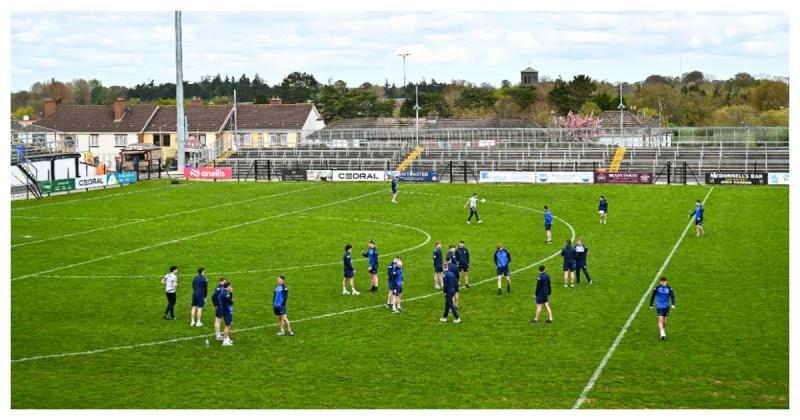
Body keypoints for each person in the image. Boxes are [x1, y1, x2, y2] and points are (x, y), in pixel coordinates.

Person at [649, 276, 676, 341]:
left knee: (665, 321)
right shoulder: (657, 288)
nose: (663, 283)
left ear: (666, 282)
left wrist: (673, 304)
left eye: (664, 282)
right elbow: (653, 296)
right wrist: (651, 305)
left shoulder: (669, 288)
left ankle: (663, 330)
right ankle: (662, 333)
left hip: (666, 306)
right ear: (660, 282)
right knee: (660, 319)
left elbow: (672, 296)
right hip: (659, 306)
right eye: (662, 282)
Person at [440, 258, 461, 323]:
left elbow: (445, 285)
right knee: (447, 304)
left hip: (448, 291)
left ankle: (457, 318)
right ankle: (444, 317)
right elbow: (455, 282)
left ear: (443, 267)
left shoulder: (444, 275)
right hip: (453, 290)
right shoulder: (451, 273)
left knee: (451, 305)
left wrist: (444, 292)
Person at [215, 280, 234, 346]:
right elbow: (231, 302)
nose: (231, 287)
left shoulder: (223, 291)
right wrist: (230, 293)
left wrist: (229, 292)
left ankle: (227, 338)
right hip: (226, 311)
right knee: (228, 325)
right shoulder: (226, 294)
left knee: (229, 324)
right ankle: (225, 341)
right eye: (230, 286)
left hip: (224, 309)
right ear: (228, 287)